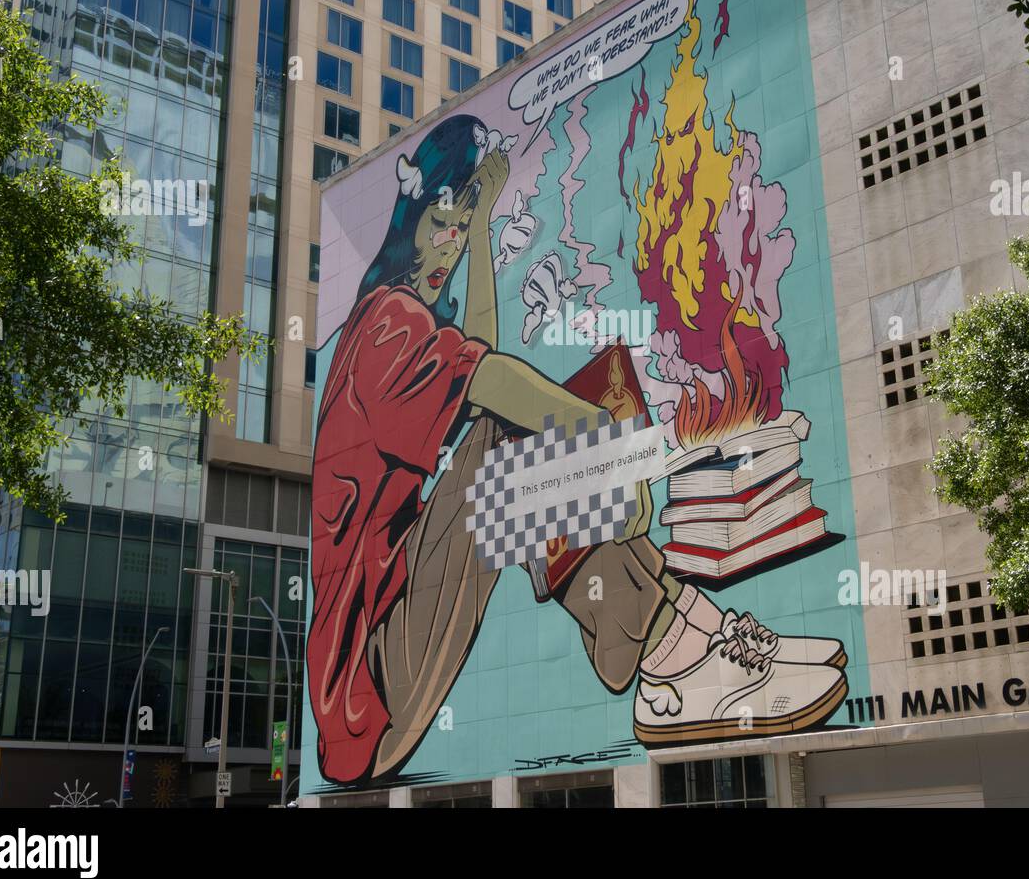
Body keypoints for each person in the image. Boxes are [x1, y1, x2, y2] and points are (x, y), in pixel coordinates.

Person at [308, 114, 848, 785]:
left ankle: (687, 626)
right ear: (408, 216)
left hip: (387, 661)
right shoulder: (386, 326)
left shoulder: (399, 324)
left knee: (499, 428)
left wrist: (481, 234)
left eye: (460, 225)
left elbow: (481, 357)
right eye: (440, 223)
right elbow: (495, 380)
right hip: (370, 690)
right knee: (507, 436)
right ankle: (669, 657)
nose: (447, 244)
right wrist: (613, 448)